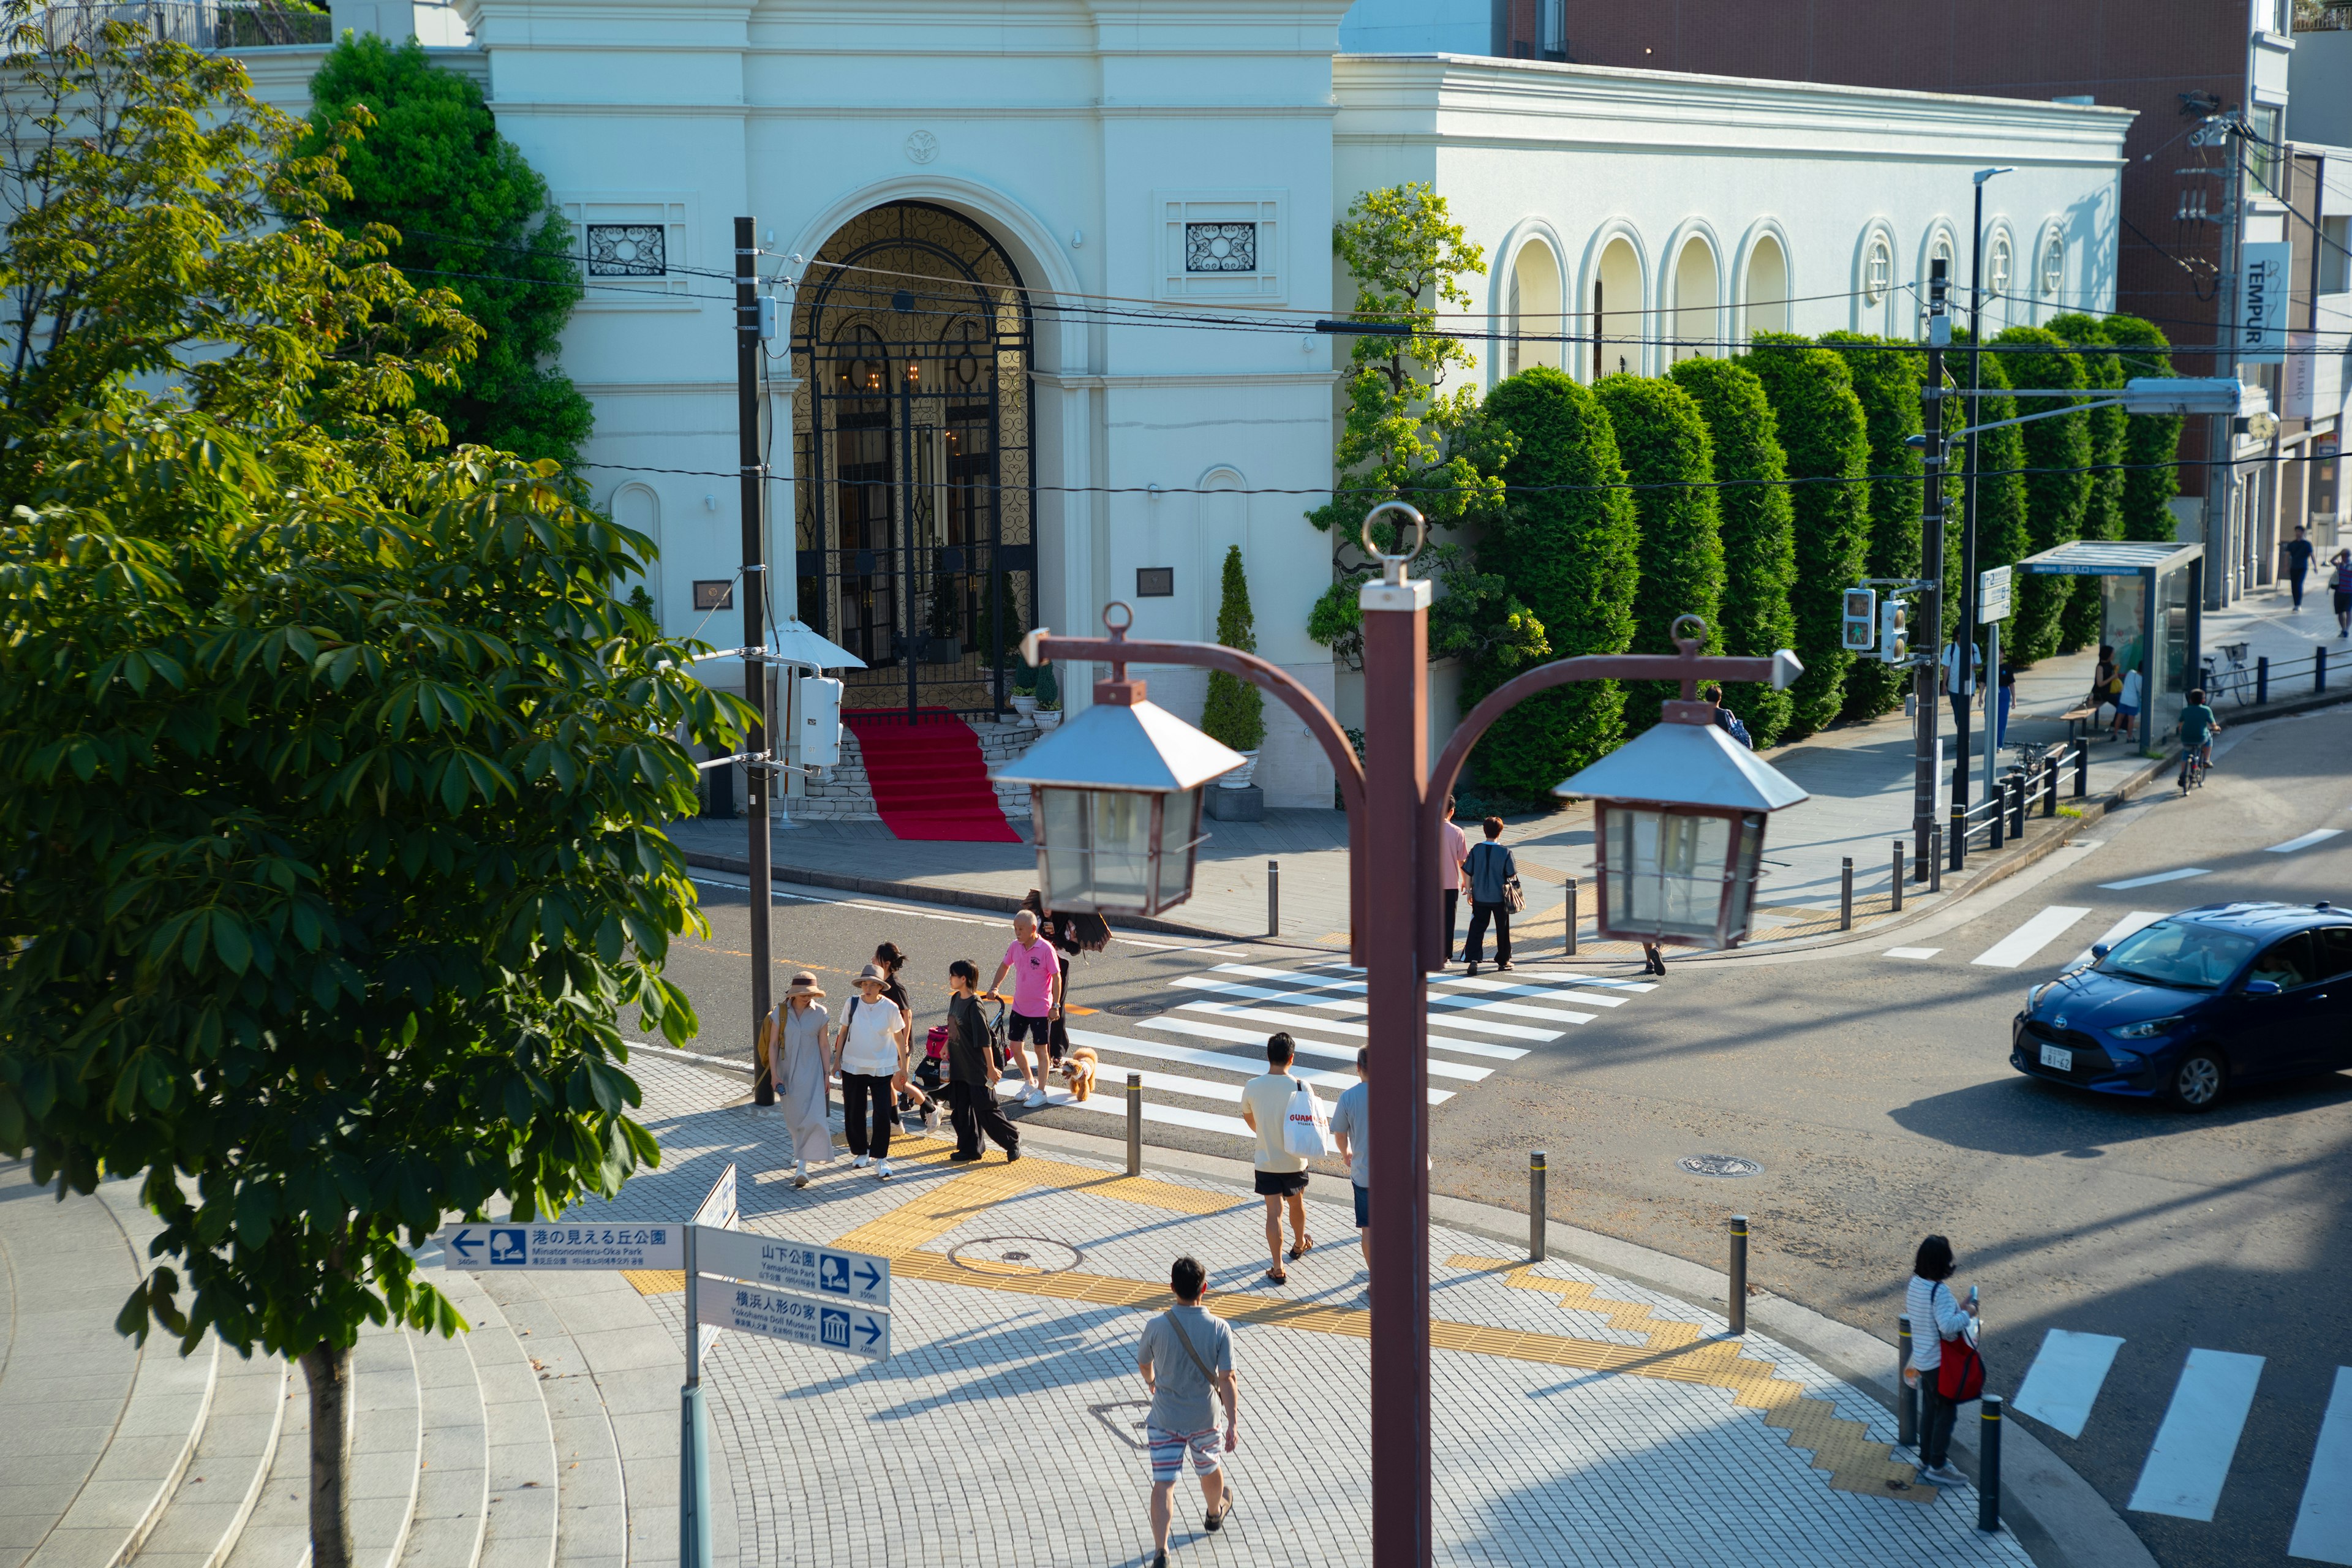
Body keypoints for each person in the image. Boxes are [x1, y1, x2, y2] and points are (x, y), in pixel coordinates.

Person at [1136, 1255, 1237, 1568]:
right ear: (1204, 1288)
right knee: (1209, 1467)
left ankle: (1161, 1550)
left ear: (1171, 1288)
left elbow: (1144, 1363)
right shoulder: (1220, 1328)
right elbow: (1227, 1379)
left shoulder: (1156, 1326)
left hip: (1165, 1419)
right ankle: (1213, 1514)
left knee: (1164, 1482)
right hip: (1205, 1419)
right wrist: (1232, 1423)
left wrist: (1152, 1381)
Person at [1904, 1234, 1980, 1488]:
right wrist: (1968, 1313)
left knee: (1930, 1411)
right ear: (1943, 1263)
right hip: (1940, 1364)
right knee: (1946, 1413)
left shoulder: (1916, 1284)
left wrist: (1956, 1308)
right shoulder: (1940, 1291)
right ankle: (1938, 1465)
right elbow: (1947, 1328)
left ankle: (1926, 1459)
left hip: (1922, 1360)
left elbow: (1931, 1317)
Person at [1237, 1034, 1312, 1283]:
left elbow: (1250, 1119)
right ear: (1292, 1058)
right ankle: (1300, 1244)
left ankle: (1278, 1267)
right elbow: (1310, 1122)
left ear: (1268, 1057)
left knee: (1274, 1213)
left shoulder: (1253, 1086)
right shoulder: (1302, 1086)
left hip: (1266, 1160)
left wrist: (1266, 1133)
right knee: (1296, 1204)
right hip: (1294, 1160)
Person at [829, 962, 909, 1180]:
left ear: (881, 987)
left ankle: (881, 1158)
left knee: (882, 1113)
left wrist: (903, 1067)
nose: (868, 988)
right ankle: (861, 1151)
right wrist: (837, 1061)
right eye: (865, 984)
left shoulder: (891, 1008)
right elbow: (843, 1033)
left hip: (882, 1067)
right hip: (853, 1065)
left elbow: (899, 1037)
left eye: (873, 984)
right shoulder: (852, 1003)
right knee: (854, 1111)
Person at [761, 972, 834, 1188]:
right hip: (787, 1072)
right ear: (793, 994)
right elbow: (773, 1045)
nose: (807, 997)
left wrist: (826, 1074)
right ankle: (798, 1151)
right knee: (793, 1120)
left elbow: (824, 1046)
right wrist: (775, 1075)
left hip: (812, 1072)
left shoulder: (821, 1014)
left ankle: (802, 1166)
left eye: (811, 994)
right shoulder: (779, 1014)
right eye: (803, 994)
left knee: (813, 1119)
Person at [943, 959, 1020, 1163]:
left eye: (953, 975)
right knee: (961, 1111)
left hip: (977, 1068)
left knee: (986, 1110)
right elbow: (952, 1026)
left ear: (964, 979)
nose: (950, 978)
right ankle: (971, 1149)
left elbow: (984, 1039)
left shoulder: (975, 1005)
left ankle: (1012, 1141)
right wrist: (945, 1046)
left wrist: (991, 1068)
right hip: (959, 1066)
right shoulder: (956, 999)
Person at [988, 909, 1063, 1107]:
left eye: (1020, 929)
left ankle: (1041, 1092)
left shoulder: (1046, 949)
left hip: (1041, 1009)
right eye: (1015, 929)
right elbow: (1005, 966)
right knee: (1015, 1048)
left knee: (1041, 1050)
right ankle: (1030, 1081)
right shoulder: (1015, 946)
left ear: (1032, 928)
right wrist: (995, 987)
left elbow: (1057, 977)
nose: (1017, 933)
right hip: (1019, 1007)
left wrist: (1056, 1005)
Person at [873, 940, 938, 1134]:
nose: (871, 960)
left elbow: (906, 1015)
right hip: (886, 1041)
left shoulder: (895, 986)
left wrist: (903, 1043)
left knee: (897, 1083)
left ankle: (931, 1109)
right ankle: (895, 1123)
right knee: (888, 1083)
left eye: (875, 958)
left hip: (898, 1043)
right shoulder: (882, 984)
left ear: (885, 963)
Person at [1326, 1048, 1370, 1270]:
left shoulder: (1349, 1097)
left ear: (1358, 1067)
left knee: (1369, 1230)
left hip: (1364, 1174)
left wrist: (1346, 1154)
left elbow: (1340, 1135)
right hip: (1396, 1176)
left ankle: (1377, 1277)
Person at [1461, 816, 1517, 976]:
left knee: (1477, 927)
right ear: (1501, 831)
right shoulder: (1506, 852)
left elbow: (1468, 872)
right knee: (1502, 928)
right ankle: (1503, 960)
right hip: (1500, 898)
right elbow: (1511, 873)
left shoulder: (1476, 849)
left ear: (1484, 830)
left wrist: (1470, 891)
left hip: (1480, 897)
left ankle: (1473, 959)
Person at [1438, 795, 1470, 962]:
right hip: (1450, 884)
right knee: (1448, 921)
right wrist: (1466, 881)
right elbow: (1462, 860)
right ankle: (1445, 955)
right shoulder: (1457, 832)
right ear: (1452, 812)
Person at [2177, 687, 2219, 788]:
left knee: (2186, 753)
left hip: (2186, 738)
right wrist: (2217, 728)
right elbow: (2213, 725)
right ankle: (2206, 760)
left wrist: (2181, 730)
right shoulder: (2206, 710)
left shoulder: (2186, 710)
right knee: (2209, 737)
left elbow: (2180, 723)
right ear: (2203, 700)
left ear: (2191, 700)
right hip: (2201, 738)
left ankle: (2183, 774)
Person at [1940, 638, 1980, 736]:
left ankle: (1962, 736)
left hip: (1968, 687)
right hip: (1953, 686)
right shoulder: (1950, 648)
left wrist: (1973, 666)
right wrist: (1944, 684)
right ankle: (1962, 735)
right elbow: (1946, 667)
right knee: (1957, 714)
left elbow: (1979, 664)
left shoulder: (1973, 647)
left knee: (1965, 714)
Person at [1702, 682, 1752, 749]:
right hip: (1724, 749)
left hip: (1706, 749)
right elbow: (1736, 732)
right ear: (1720, 698)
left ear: (1706, 698)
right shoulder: (1727, 714)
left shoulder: (1701, 714)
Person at [2088, 646, 2119, 729]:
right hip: (2101, 693)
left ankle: (2119, 724)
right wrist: (2112, 678)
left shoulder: (2109, 664)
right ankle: (2116, 725)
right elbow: (2100, 684)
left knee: (2124, 700)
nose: (2114, 655)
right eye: (2113, 654)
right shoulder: (2100, 667)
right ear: (2108, 655)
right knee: (2121, 703)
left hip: (2109, 691)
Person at [2286, 524, 2315, 610]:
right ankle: (2295, 604)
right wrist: (2286, 566)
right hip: (2293, 567)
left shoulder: (2307, 544)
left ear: (2303, 532)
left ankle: (2298, 604)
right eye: (2296, 531)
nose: (2297, 533)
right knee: (2293, 586)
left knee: (2299, 585)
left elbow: (2312, 555)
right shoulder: (2292, 544)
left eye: (2299, 531)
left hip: (2303, 567)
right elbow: (2287, 555)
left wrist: (2315, 566)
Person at [2114, 665, 2142, 745]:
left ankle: (2115, 734)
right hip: (2133, 701)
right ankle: (2129, 737)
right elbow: (2140, 691)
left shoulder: (2130, 672)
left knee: (2120, 717)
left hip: (2124, 698)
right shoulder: (2142, 679)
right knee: (2131, 720)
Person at [2332, 549, 2352, 639]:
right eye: (2343, 556)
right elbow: (2332, 561)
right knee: (2340, 612)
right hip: (2339, 592)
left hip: (2349, 592)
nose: (2345, 558)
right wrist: (2339, 553)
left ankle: (2347, 630)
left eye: (2346, 556)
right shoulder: (2339, 565)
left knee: (2348, 611)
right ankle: (2343, 629)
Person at [1996, 663, 2015, 750]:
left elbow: (2011, 684)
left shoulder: (2007, 668)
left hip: (2004, 693)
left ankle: (1999, 744)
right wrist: (1980, 697)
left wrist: (2014, 699)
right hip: (1992, 692)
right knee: (1990, 720)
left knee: (2002, 720)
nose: (1999, 655)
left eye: (2000, 653)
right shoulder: (1989, 667)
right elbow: (1983, 683)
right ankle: (1990, 742)